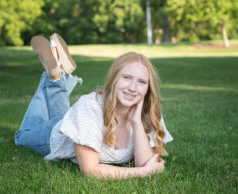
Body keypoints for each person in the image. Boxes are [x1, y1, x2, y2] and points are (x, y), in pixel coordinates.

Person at [15, 33, 173, 179]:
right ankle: (54, 76)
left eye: (141, 82)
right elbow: (91, 170)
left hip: (78, 122)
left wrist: (137, 123)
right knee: (21, 136)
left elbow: (145, 161)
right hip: (54, 133)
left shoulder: (148, 112)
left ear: (148, 88)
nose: (133, 88)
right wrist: (142, 173)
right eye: (126, 77)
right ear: (114, 79)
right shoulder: (89, 107)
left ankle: (56, 74)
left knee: (66, 112)